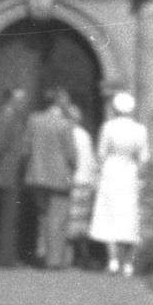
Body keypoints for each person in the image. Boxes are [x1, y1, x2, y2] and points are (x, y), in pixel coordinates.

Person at [90, 91, 151, 276]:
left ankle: (113, 261)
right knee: (130, 217)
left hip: (111, 172)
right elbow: (144, 158)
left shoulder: (109, 127)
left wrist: (99, 172)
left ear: (115, 109)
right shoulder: (140, 129)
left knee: (109, 216)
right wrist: (139, 176)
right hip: (129, 173)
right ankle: (128, 264)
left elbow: (101, 153)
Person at [26, 86, 80, 269]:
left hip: (37, 175)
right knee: (57, 218)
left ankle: (42, 253)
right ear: (58, 102)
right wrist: (74, 168)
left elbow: (26, 149)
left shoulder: (34, 120)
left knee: (43, 217)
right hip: (59, 177)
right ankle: (54, 260)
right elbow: (71, 154)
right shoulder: (65, 124)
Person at [0, 85, 31, 266]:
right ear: (13, 99)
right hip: (7, 171)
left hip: (11, 170)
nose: (25, 104)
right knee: (8, 216)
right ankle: (6, 258)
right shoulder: (8, 115)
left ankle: (7, 256)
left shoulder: (12, 115)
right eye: (22, 100)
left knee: (10, 215)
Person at [67, 101, 98, 265]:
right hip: (85, 180)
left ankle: (73, 255)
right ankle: (82, 254)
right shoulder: (84, 134)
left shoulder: (69, 134)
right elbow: (90, 160)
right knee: (82, 220)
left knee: (72, 219)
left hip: (74, 180)